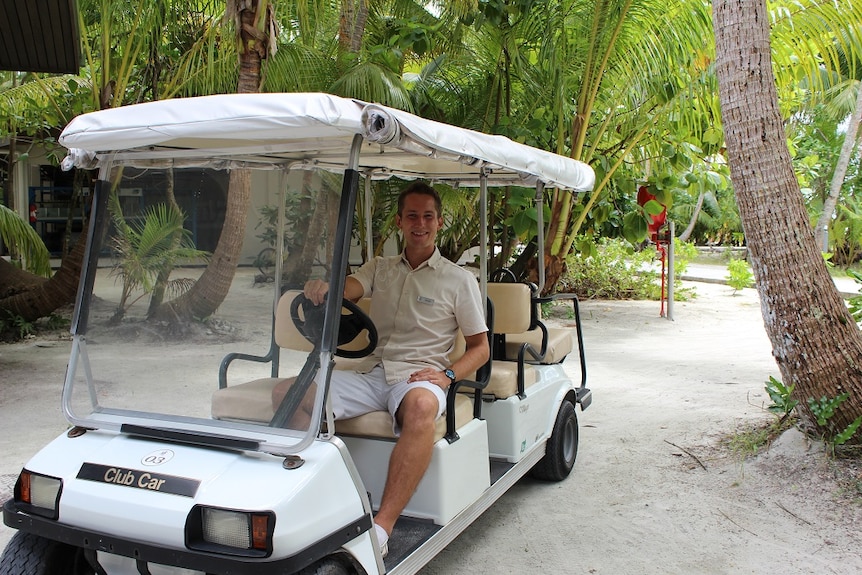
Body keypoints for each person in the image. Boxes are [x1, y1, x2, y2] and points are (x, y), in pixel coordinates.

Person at [272, 181, 489, 557]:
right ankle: (314, 499)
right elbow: (349, 289)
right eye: (411, 216)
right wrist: (326, 287)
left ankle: (381, 527)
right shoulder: (381, 268)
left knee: (421, 408)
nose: (419, 223)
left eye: (427, 216)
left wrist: (448, 375)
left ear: (439, 223)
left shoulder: (459, 279)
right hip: (371, 371)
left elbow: (480, 348)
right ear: (399, 222)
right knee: (286, 394)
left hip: (418, 377)